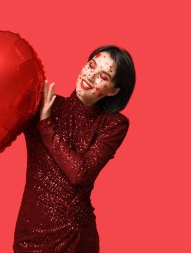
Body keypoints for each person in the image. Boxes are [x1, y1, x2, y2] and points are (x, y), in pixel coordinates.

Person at [13, 45, 136, 252]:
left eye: (103, 76)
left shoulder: (113, 124)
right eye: (91, 65)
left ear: (113, 90)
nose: (91, 76)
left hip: (76, 238)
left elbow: (80, 173)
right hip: (31, 232)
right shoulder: (43, 104)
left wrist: (46, 124)